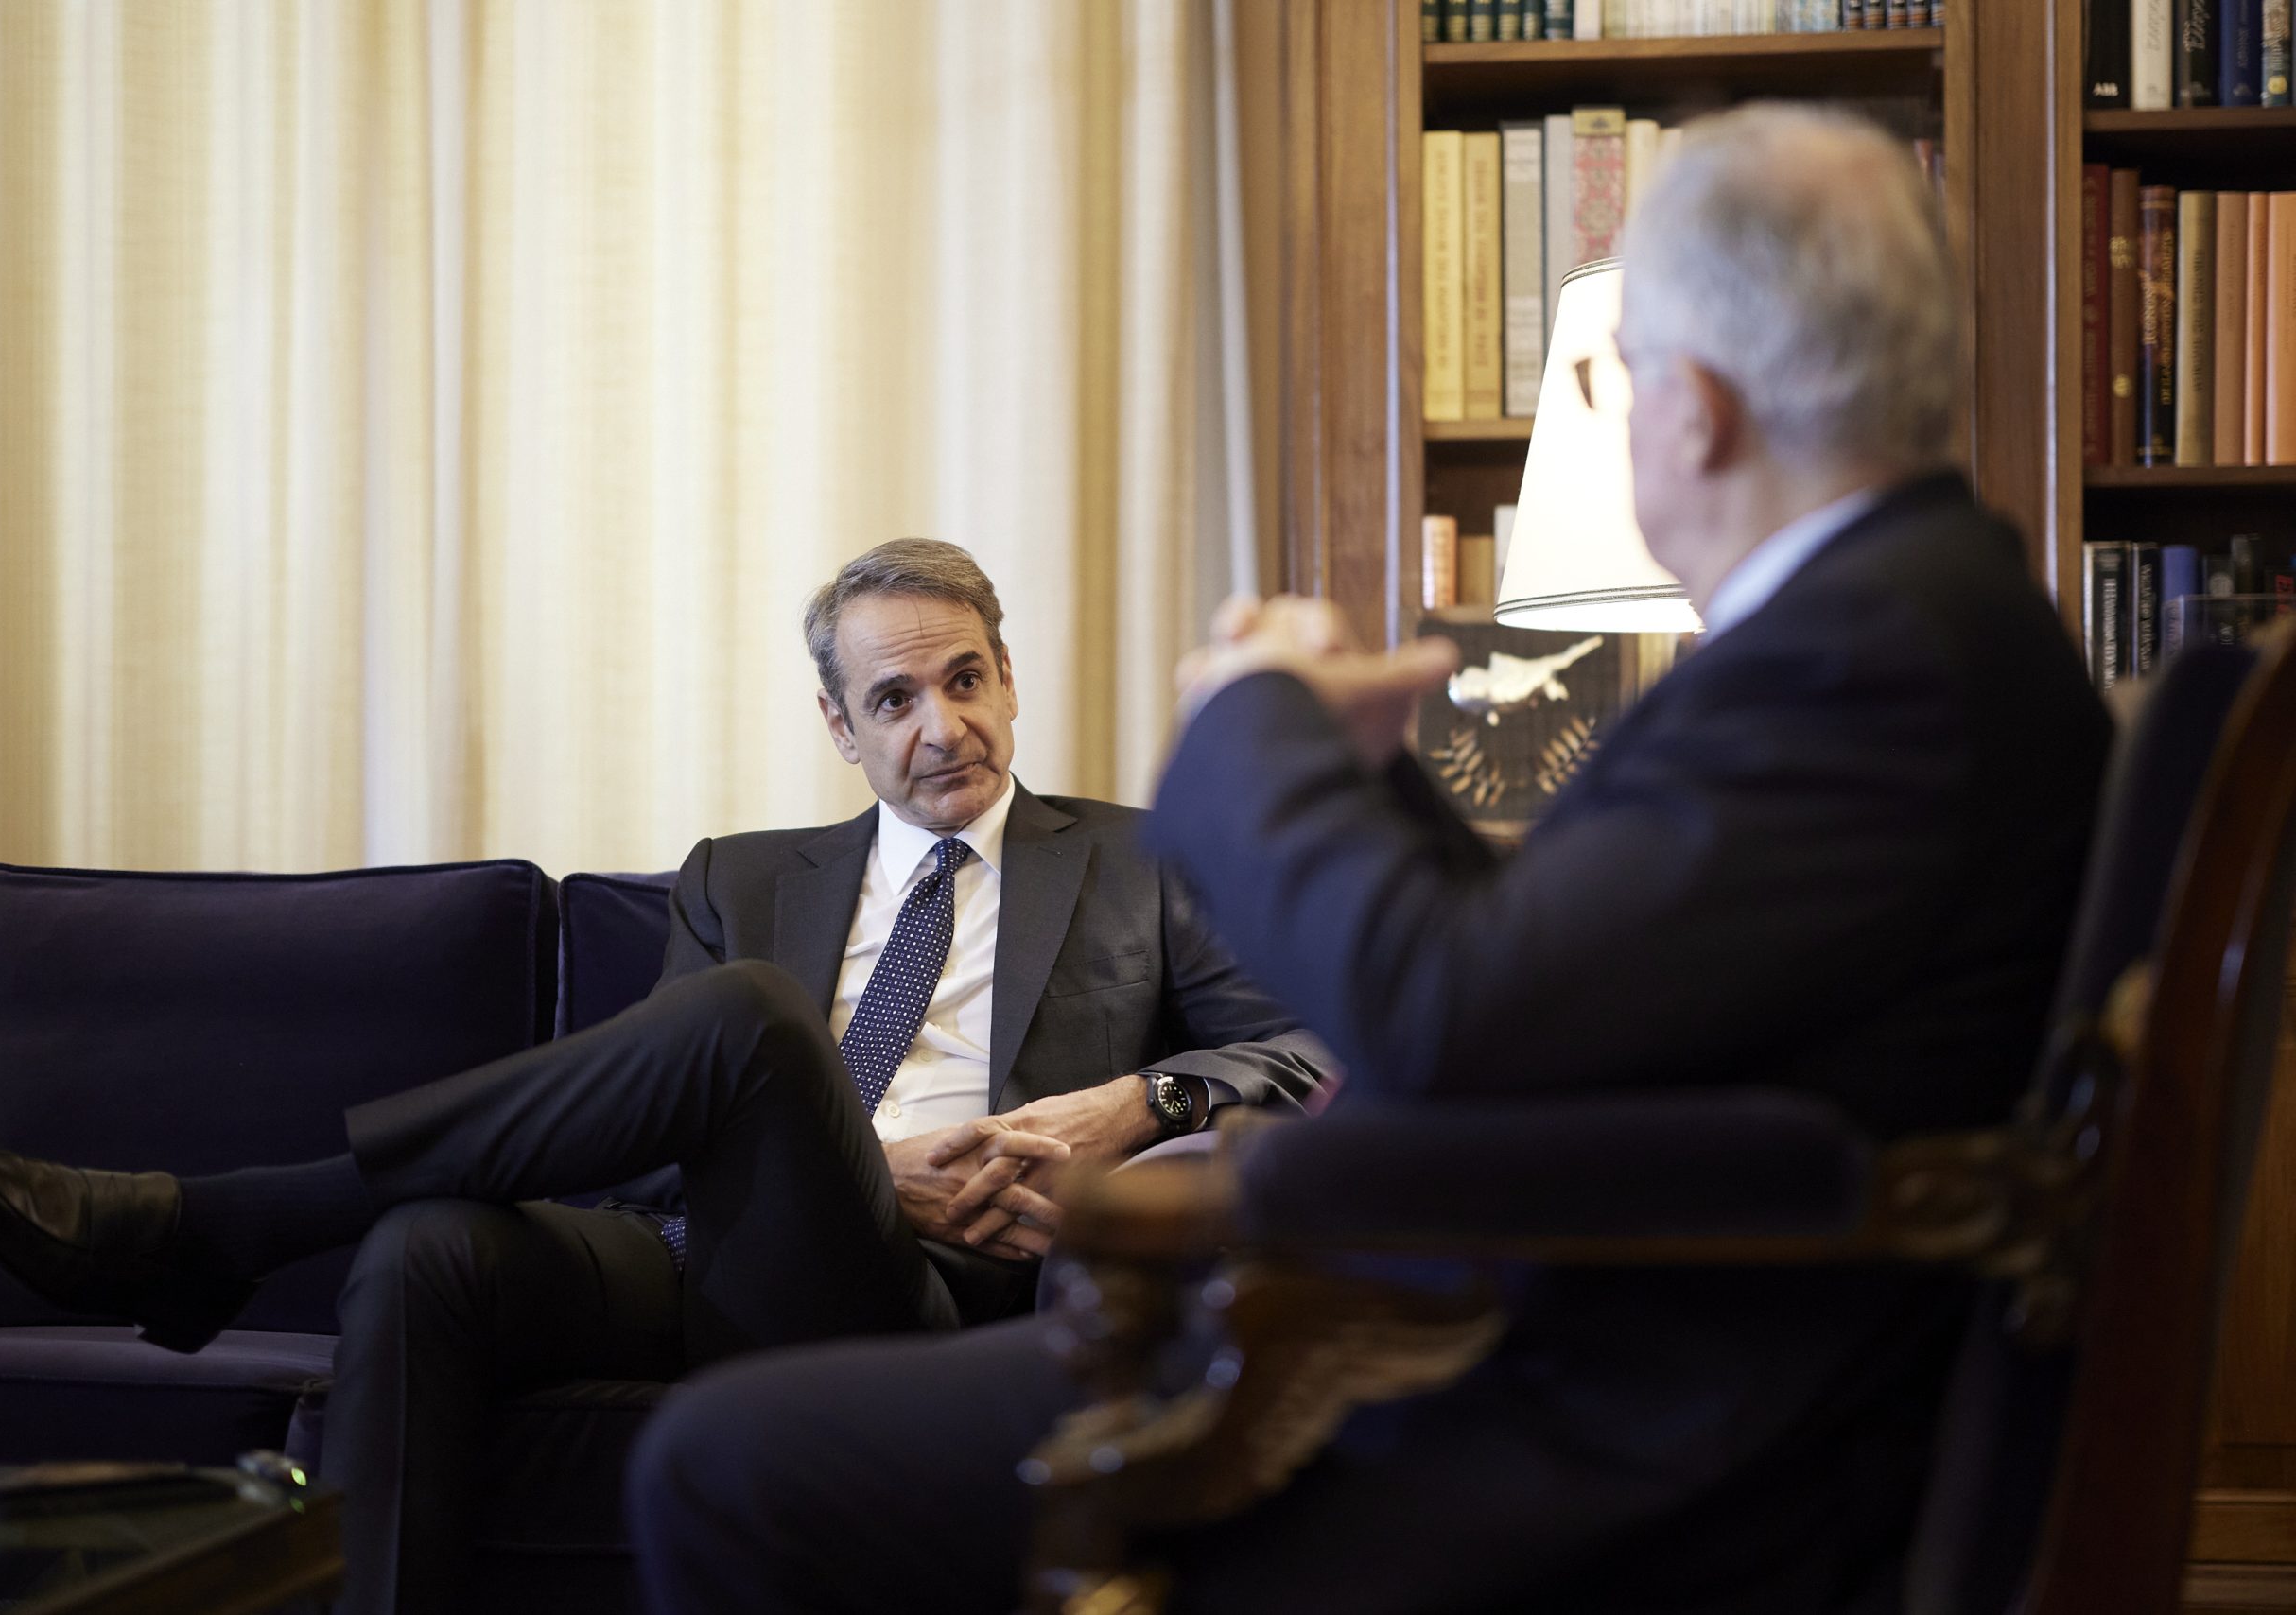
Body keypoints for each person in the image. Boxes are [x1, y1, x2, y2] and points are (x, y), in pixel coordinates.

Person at [617, 103, 2115, 1614]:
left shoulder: (1858, 664)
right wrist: (1368, 775)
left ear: (1697, 407)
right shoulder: (1910, 629)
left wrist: (1247, 722)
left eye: (1611, 376)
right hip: (1610, 1354)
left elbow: (1449, 1021)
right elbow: (1557, 985)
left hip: (1614, 1428)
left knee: (721, 1464)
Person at [0, 539, 1331, 1615]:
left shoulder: (1146, 860)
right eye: (894, 699)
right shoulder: (741, 879)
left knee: (751, 1018)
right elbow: (651, 1136)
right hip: (708, 1255)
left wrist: (1142, 1103)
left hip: (937, 1288)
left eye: (965, 680)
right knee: (429, 1251)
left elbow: (1310, 1048)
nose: (941, 726)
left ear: (1009, 680)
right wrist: (860, 1164)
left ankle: (235, 1222)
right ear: (840, 726)